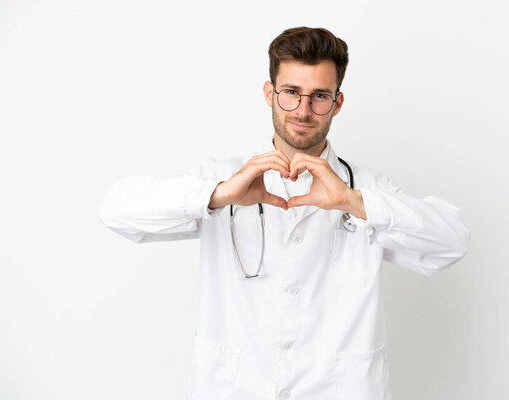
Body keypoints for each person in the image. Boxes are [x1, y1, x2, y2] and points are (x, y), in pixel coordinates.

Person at [99, 26, 470, 400]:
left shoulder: (364, 190)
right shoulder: (222, 181)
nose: (303, 111)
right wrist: (220, 194)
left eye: (319, 96)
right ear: (269, 94)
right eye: (291, 93)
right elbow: (117, 211)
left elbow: (453, 241)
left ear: (337, 103)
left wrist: (351, 202)